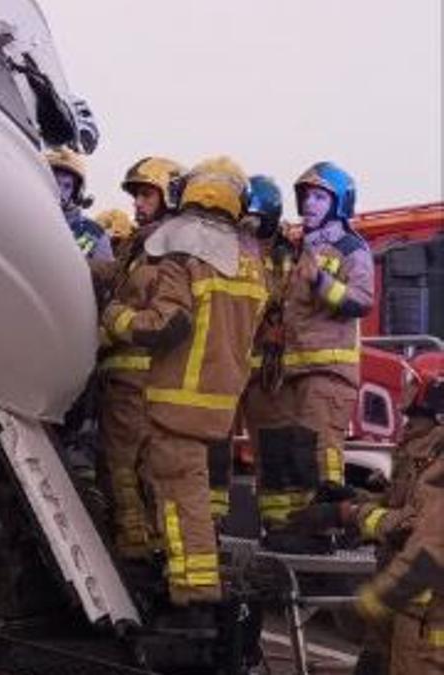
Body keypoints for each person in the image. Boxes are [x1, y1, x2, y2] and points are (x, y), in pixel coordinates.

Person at [101, 157, 267, 614]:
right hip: (218, 402)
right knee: (188, 495)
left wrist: (116, 320)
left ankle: (193, 597)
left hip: (176, 397)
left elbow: (166, 324)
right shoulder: (249, 261)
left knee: (181, 498)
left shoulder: (183, 254)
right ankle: (191, 585)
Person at [288, 352, 444, 674]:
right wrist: (353, 496)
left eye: (413, 384)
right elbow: (402, 504)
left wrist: (349, 514)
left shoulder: (439, 458)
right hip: (405, 608)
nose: (405, 393)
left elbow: (418, 526)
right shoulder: (420, 447)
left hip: (425, 612)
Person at [263, 162, 375, 552]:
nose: (309, 204)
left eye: (319, 196)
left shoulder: (352, 247)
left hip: (329, 370)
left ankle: (328, 531)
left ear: (339, 202)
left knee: (321, 452)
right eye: (305, 196)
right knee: (298, 453)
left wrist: (320, 281)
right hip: (296, 369)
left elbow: (361, 301)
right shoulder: (303, 247)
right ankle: (301, 528)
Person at [95, 156, 185, 561]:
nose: (138, 202)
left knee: (128, 468)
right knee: (123, 467)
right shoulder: (141, 243)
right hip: (122, 377)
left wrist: (113, 321)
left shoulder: (172, 247)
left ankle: (139, 551)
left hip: (140, 379)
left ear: (169, 197)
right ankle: (142, 545)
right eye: (136, 195)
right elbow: (113, 274)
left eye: (147, 193)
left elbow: (163, 318)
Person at [237, 175, 298, 528]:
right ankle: (211, 523)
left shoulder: (284, 252)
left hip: (266, 370)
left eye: (255, 219)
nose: (249, 226)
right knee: (215, 448)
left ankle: (279, 524)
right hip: (232, 362)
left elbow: (284, 295)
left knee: (272, 445)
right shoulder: (233, 246)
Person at [46, 147, 113, 261]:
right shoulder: (24, 215)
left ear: (76, 193)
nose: (60, 191)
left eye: (67, 186)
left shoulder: (92, 233)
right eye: (55, 182)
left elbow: (104, 274)